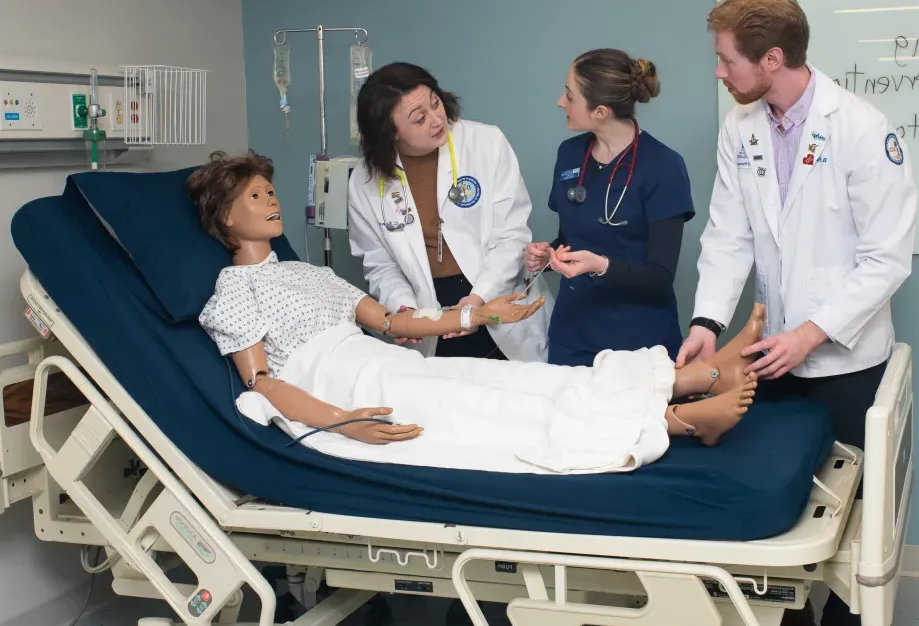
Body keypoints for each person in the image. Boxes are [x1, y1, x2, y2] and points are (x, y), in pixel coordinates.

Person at [188, 150, 763, 469]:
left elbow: (392, 323)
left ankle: (697, 376)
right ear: (224, 217)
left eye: (270, 190)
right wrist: (343, 422)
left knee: (528, 381)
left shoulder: (307, 273)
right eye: (255, 196)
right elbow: (261, 383)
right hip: (348, 389)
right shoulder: (234, 290)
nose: (272, 201)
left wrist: (478, 318)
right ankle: (678, 422)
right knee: (498, 410)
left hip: (396, 364)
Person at [675, 0, 917, 626]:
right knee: (780, 520)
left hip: (845, 365)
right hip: (772, 362)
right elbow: (728, 236)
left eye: (728, 60)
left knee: (851, 528)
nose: (719, 72)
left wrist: (812, 334)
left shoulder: (861, 129)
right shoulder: (741, 127)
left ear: (773, 59)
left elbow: (887, 259)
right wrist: (705, 323)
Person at [347, 62, 552, 364]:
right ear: (389, 132)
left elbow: (512, 236)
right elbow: (380, 265)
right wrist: (404, 311)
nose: (436, 119)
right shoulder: (365, 180)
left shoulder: (486, 143)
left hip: (495, 295)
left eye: (435, 102)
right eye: (419, 118)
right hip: (429, 314)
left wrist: (476, 302)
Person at [524, 49, 695, 367]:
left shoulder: (663, 166)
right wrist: (547, 256)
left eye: (569, 95)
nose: (561, 102)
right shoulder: (570, 154)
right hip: (572, 337)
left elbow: (660, 277)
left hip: (639, 344)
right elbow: (569, 239)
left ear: (600, 112)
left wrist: (599, 265)